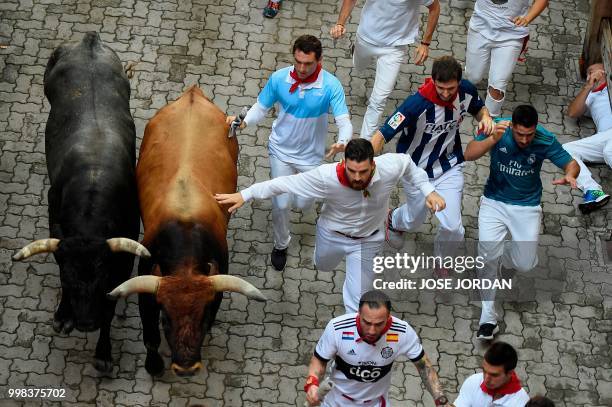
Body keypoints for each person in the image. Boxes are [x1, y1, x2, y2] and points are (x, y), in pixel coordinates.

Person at [215, 139, 445, 313]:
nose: (356, 178)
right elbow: (284, 183)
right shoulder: (325, 178)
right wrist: (245, 194)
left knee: (358, 299)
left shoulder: (390, 166)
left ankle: (352, 347)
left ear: (373, 165)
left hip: (368, 240)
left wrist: (429, 191)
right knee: (323, 265)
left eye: (363, 172)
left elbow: (410, 167)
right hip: (332, 236)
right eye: (351, 171)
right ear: (344, 162)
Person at [226, 35, 353, 271]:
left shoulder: (331, 85)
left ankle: (299, 200)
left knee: (304, 204)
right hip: (281, 152)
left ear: (320, 60)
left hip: (312, 157)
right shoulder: (279, 79)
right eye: (298, 62)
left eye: (308, 64)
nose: (302, 69)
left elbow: (344, 120)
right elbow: (260, 108)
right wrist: (245, 123)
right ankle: (281, 243)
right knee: (281, 205)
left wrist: (343, 141)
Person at [464, 105, 579, 339]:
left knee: (524, 263)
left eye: (529, 134)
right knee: (487, 257)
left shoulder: (545, 139)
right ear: (513, 127)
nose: (524, 139)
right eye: (519, 134)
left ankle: (499, 253)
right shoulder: (497, 128)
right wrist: (492, 139)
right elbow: (469, 153)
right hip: (494, 201)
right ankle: (488, 318)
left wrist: (570, 174)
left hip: (527, 206)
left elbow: (571, 162)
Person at [370, 56, 494, 260]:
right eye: (440, 88)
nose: (445, 94)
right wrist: (365, 160)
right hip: (415, 171)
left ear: (459, 82)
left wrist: (486, 118)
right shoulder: (415, 105)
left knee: (454, 228)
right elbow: (382, 134)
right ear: (433, 80)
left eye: (451, 88)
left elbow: (479, 109)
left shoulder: (467, 91)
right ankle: (393, 219)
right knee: (413, 220)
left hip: (449, 166)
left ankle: (442, 261)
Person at [304, 290, 453, 406]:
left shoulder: (402, 332)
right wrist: (312, 383)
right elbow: (319, 360)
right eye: (367, 322)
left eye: (379, 324)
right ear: (358, 313)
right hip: (336, 401)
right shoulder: (337, 328)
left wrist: (441, 400)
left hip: (376, 403)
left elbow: (424, 367)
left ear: (389, 317)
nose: (372, 331)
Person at [330, 0, 440, 139]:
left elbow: (434, 7)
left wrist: (425, 43)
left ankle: (365, 146)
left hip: (395, 48)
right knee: (358, 67)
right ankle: (355, 51)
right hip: (366, 38)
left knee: (378, 101)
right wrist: (340, 23)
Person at [464, 0, 549, 117]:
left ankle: (487, 124)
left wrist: (527, 18)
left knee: (498, 85)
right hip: (480, 27)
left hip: (512, 34)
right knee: (473, 77)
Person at [564, 62, 611, 214]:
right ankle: (593, 190)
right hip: (605, 137)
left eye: (593, 70)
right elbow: (572, 113)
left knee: (609, 151)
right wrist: (588, 86)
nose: (590, 74)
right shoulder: (591, 95)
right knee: (566, 150)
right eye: (588, 74)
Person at [454, 342, 530, 406]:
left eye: (494, 375)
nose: (486, 379)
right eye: (484, 371)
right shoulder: (473, 382)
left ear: (509, 373)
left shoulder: (522, 403)